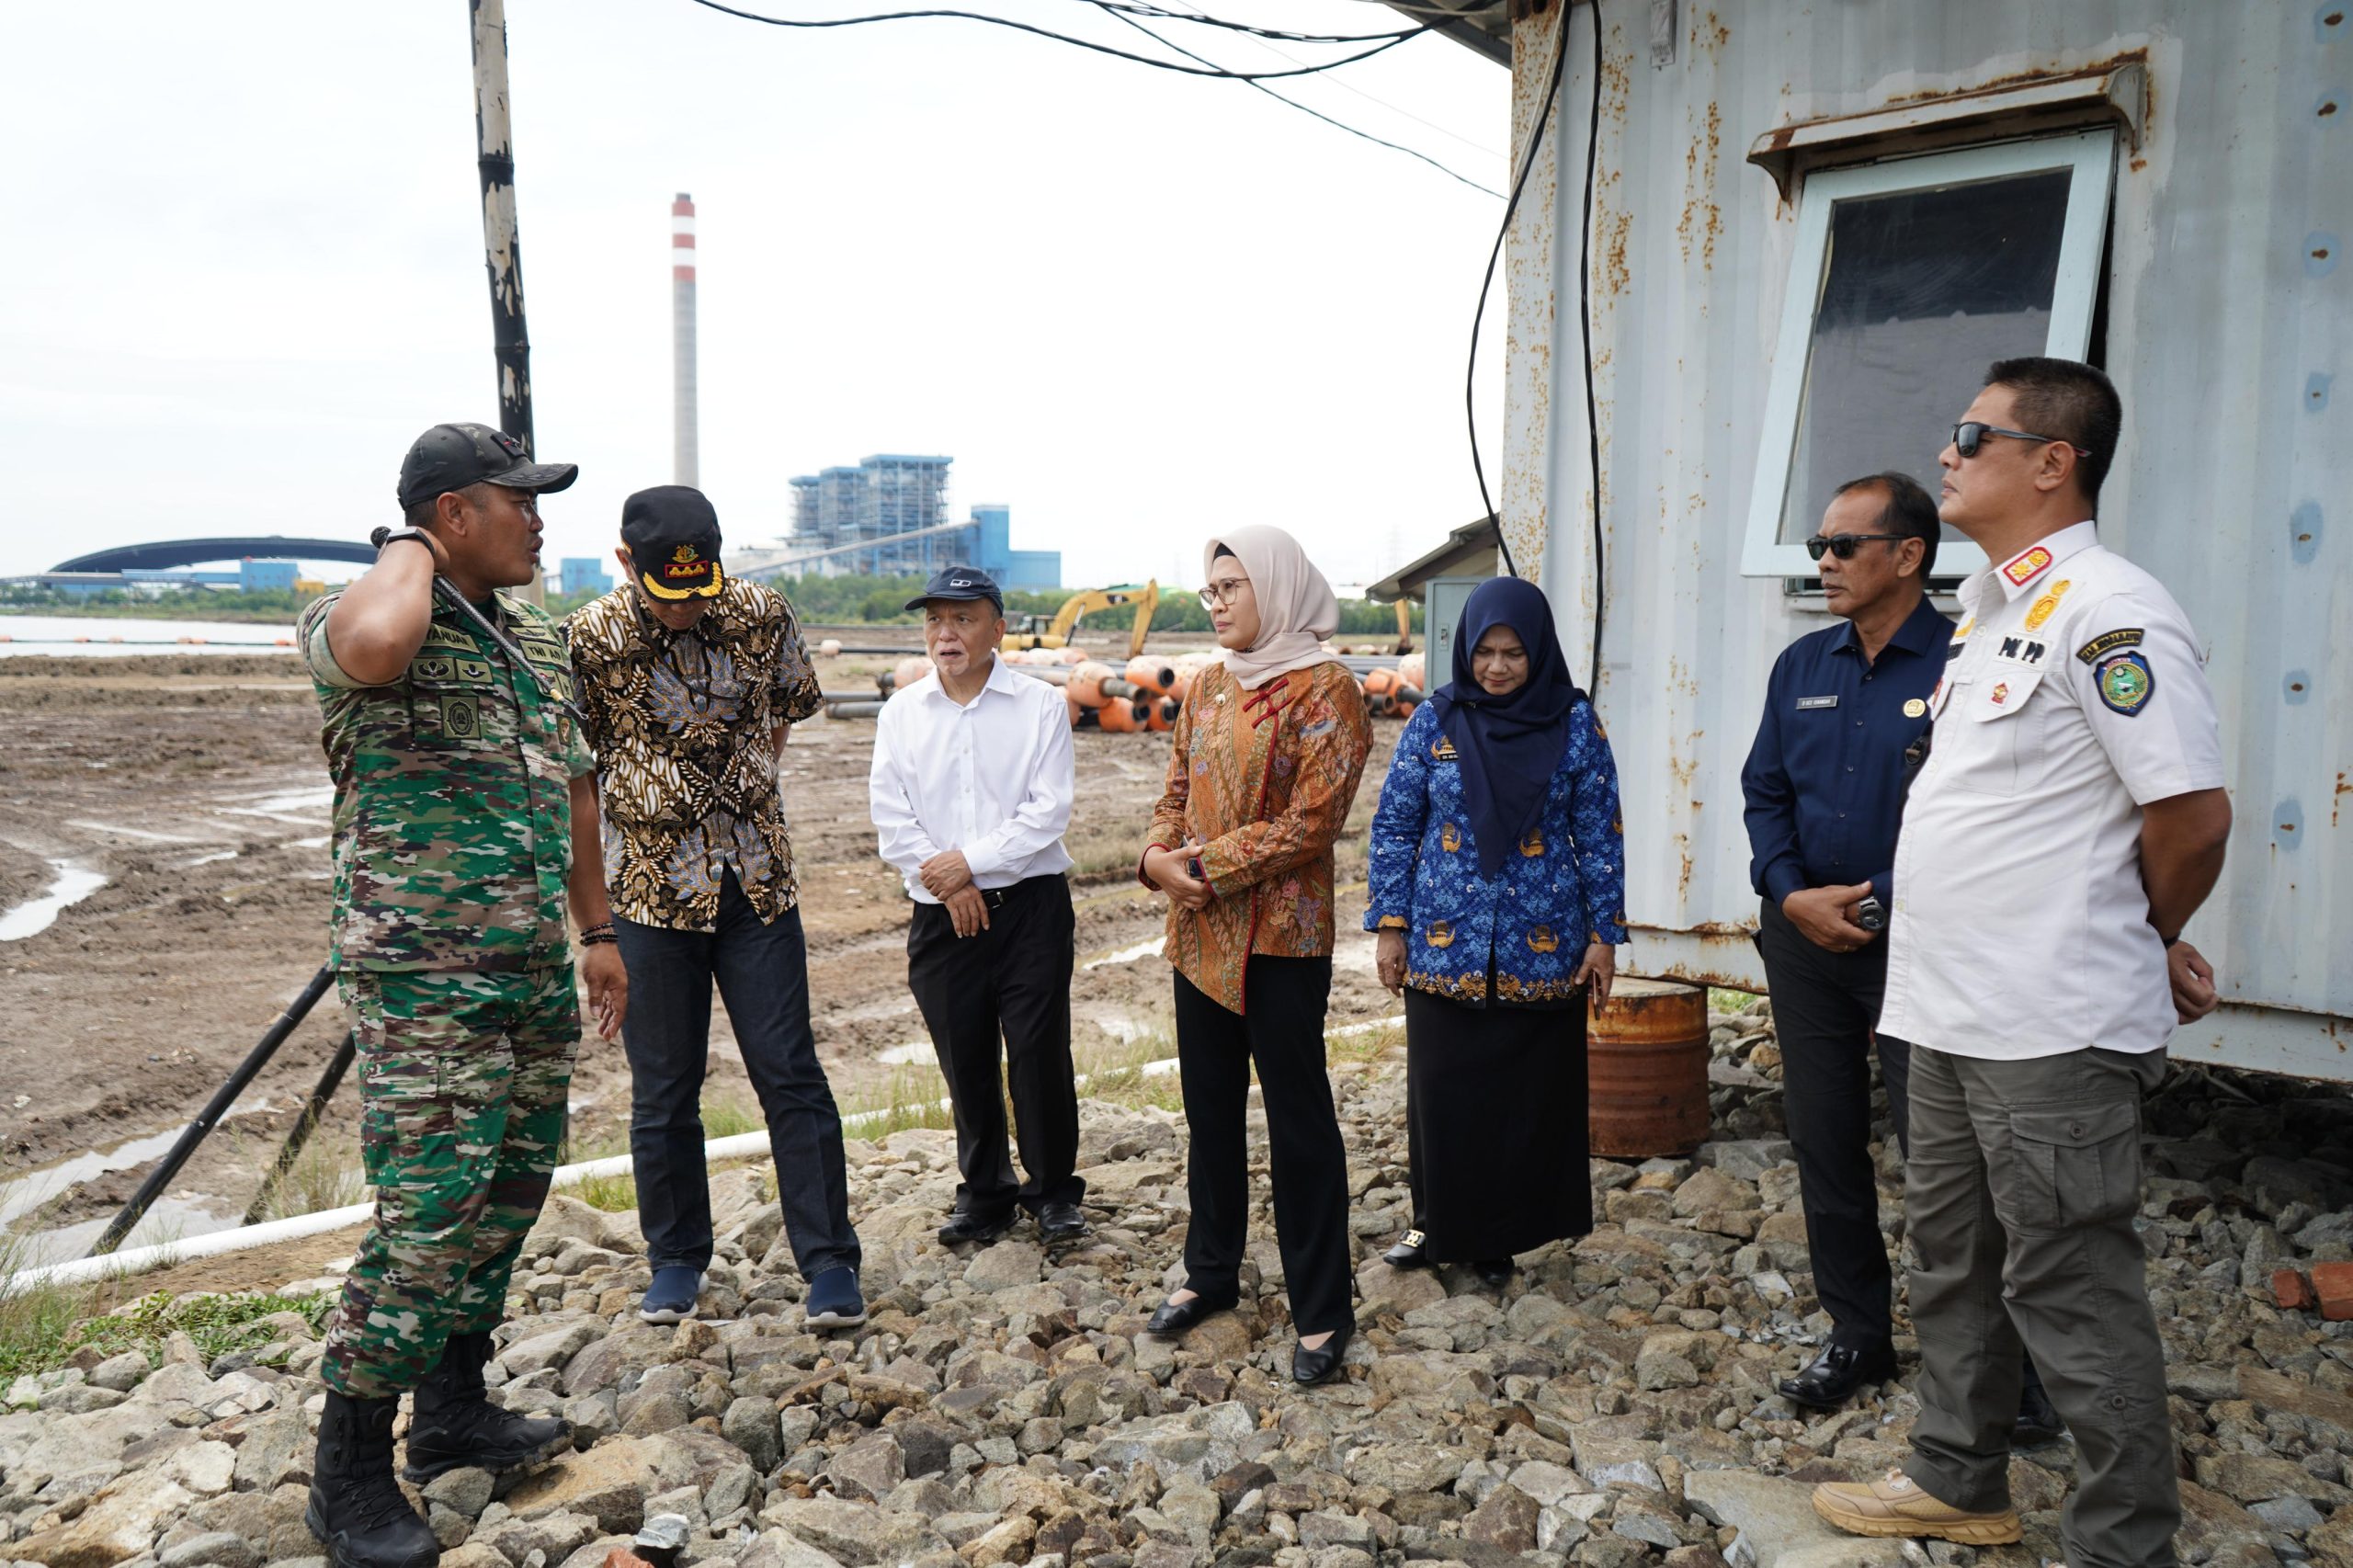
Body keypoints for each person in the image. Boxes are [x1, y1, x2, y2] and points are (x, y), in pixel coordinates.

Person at [1812, 358, 2230, 1562]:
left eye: (1971, 434)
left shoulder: (2114, 611)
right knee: (1953, 1261)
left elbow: (2191, 814)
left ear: (2054, 461)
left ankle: (2121, 1539)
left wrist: (2144, 935)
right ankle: (1958, 1474)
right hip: (1947, 1013)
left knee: (2075, 1291)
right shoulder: (1997, 612)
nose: (1946, 454)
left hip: (2050, 1024)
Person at [298, 422, 627, 1568]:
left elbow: (578, 782)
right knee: (428, 1212)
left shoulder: (531, 633)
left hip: (529, 961)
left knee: (509, 1186)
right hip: (423, 974)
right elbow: (382, 643)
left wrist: (596, 927)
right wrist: (407, 550)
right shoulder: (366, 613)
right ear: (451, 516)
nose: (539, 519)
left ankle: (451, 1408)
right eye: (517, 499)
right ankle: (346, 1471)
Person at [566, 486, 865, 1332]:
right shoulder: (589, 640)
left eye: (702, 589)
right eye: (671, 593)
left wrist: (742, 790)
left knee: (790, 1073)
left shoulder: (761, 613)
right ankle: (675, 1262)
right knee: (663, 1089)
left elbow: (782, 717)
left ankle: (830, 1262)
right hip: (651, 897)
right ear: (628, 564)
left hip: (757, 885)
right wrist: (592, 930)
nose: (690, 609)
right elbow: (577, 788)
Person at [1138, 526, 1372, 1385]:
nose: (1219, 602)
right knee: (1208, 1113)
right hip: (1198, 936)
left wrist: (1203, 866)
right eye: (1211, 590)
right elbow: (1173, 793)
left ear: (1276, 588)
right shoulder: (1203, 687)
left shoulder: (1328, 689)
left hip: (1281, 937)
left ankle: (1321, 1309)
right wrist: (1157, 858)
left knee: (1299, 1122)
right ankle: (1211, 1273)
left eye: (1233, 586)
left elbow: (1316, 820)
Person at [1364, 576, 1624, 1287]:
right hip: (1444, 943)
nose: (1499, 668)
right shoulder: (1435, 722)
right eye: (1485, 652)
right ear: (1464, 651)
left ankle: (1500, 1239)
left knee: (1524, 1099)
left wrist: (1605, 934)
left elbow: (1599, 834)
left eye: (1514, 652)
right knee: (1442, 1095)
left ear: (1538, 652)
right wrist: (1391, 926)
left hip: (1542, 944)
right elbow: (1394, 826)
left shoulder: (1574, 724)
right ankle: (1433, 1224)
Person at [869, 566, 1089, 1247]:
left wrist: (973, 861)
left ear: (998, 628)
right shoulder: (902, 712)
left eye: (963, 619)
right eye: (935, 619)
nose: (946, 633)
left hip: (1030, 909)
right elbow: (891, 816)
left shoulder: (1040, 705)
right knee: (964, 1054)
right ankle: (985, 1191)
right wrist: (954, 882)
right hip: (942, 913)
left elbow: (1047, 811)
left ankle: (1053, 1192)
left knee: (1035, 1051)